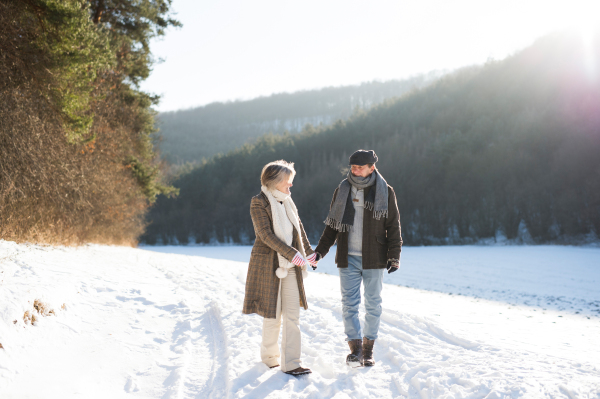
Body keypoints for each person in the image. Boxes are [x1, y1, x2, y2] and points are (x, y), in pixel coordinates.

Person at [313, 149, 402, 367]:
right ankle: (355, 351)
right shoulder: (342, 190)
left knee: (373, 305)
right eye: (352, 167)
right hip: (348, 257)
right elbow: (332, 227)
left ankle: (368, 350)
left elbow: (393, 225)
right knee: (349, 305)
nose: (354, 170)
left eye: (359, 167)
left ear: (372, 167)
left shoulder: (385, 191)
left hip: (375, 257)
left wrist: (394, 256)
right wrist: (319, 252)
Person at [242, 160, 318, 376]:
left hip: (292, 265)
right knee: (272, 314)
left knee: (292, 315)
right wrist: (292, 254)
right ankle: (269, 358)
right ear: (275, 181)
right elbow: (265, 235)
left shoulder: (288, 202)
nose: (291, 185)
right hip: (269, 264)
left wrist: (308, 253)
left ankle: (292, 363)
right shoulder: (259, 202)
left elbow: (299, 231)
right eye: (288, 181)